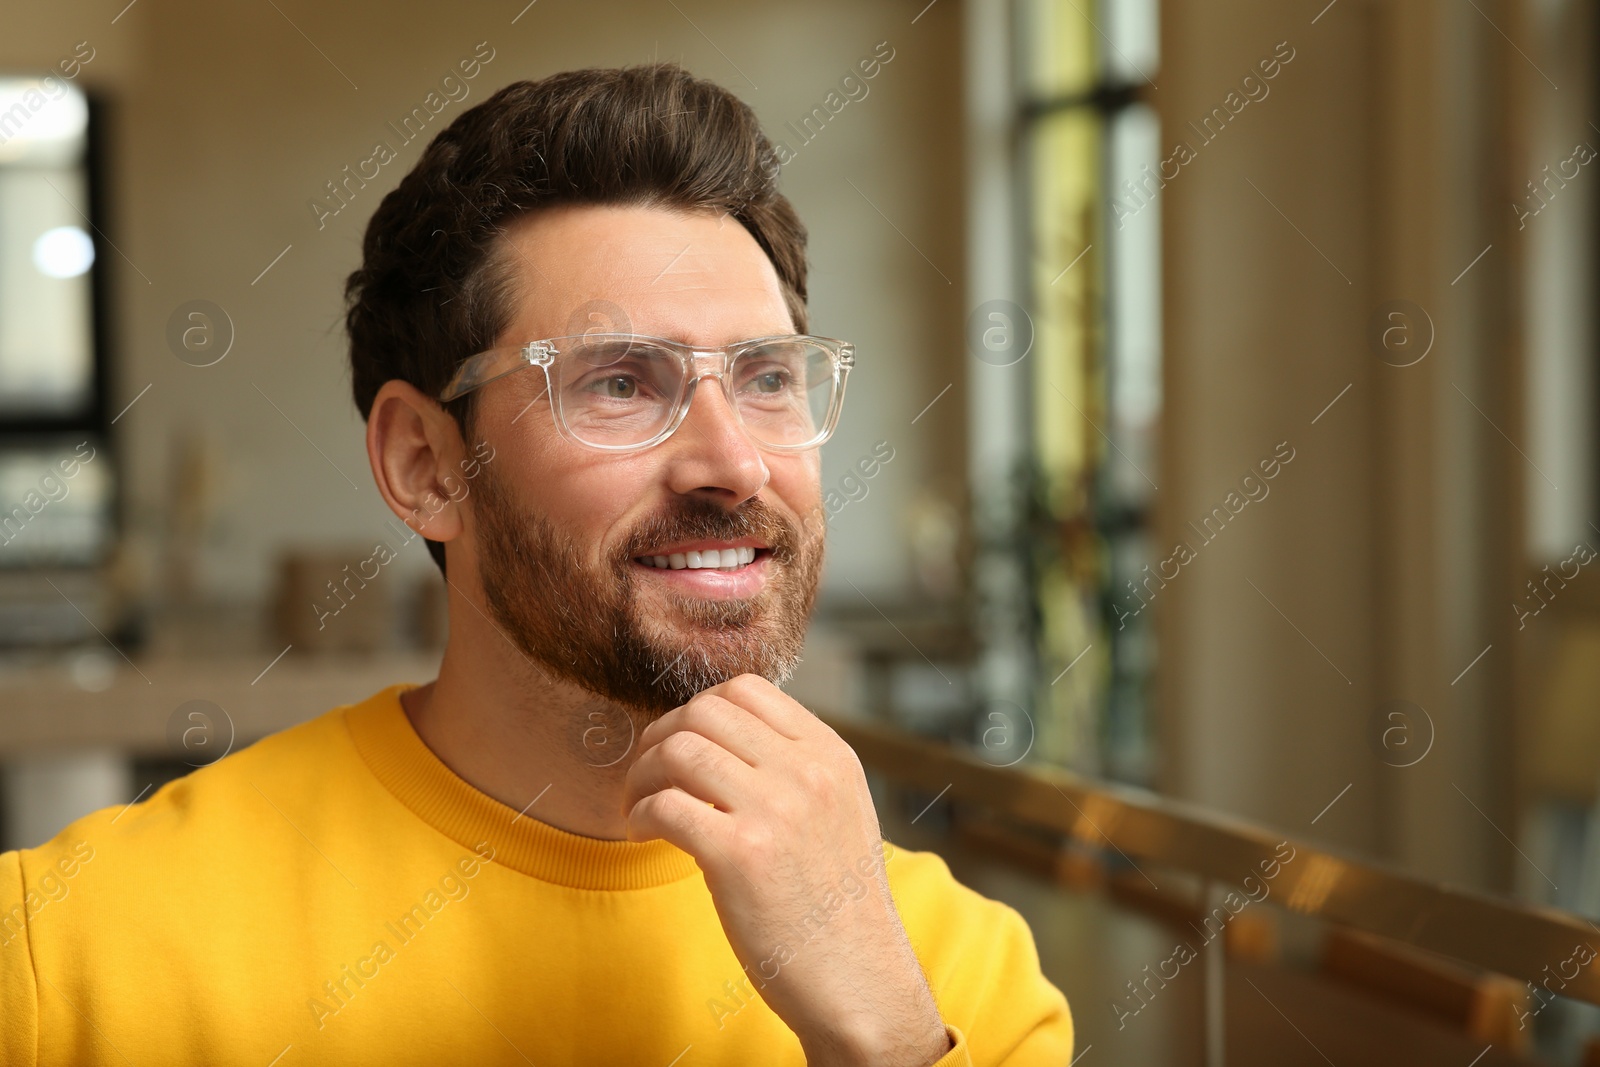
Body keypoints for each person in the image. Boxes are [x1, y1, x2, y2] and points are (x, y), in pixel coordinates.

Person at [0, 64, 1073, 1065]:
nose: (735, 461)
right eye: (619, 382)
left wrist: (882, 1038)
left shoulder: (958, 977)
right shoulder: (69, 955)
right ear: (426, 463)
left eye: (767, 377)